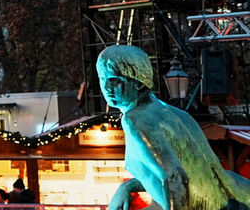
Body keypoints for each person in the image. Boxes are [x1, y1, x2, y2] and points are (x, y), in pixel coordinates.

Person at [95, 44, 250, 210]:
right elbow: (186, 175)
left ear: (139, 82)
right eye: (103, 79)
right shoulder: (176, 114)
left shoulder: (135, 119)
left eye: (116, 81)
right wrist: (128, 186)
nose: (107, 88)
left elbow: (175, 176)